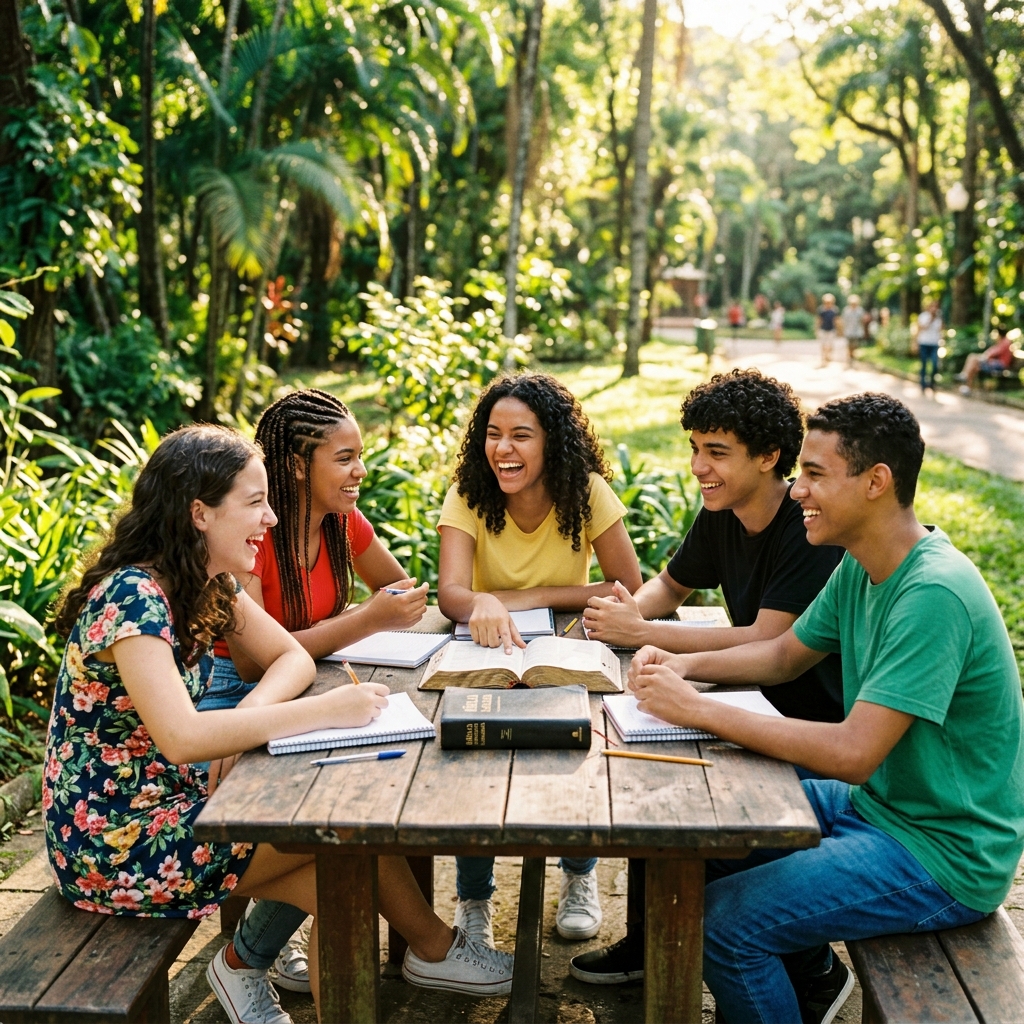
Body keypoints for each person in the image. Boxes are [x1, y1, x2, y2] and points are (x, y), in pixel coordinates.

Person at [43, 425, 514, 1024]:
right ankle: (428, 951)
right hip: (115, 841)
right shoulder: (133, 599)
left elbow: (289, 656)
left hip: (170, 799)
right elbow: (183, 737)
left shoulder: (205, 580)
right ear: (200, 514)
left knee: (344, 862)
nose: (269, 518)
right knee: (344, 851)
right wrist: (327, 709)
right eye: (254, 502)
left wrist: (249, 713)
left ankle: (260, 969)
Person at [602, 394, 1024, 1024]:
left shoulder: (932, 593)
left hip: (940, 852)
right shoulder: (863, 564)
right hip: (882, 805)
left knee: (726, 927)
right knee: (706, 824)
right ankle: (804, 984)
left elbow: (854, 754)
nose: (798, 490)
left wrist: (696, 708)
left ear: (876, 482)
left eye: (816, 474)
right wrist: (680, 664)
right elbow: (782, 656)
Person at [574, 370, 844, 987]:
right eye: (695, 448)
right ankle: (648, 941)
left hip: (806, 724)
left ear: (770, 456)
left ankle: (806, 964)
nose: (699, 466)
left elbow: (768, 640)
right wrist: (628, 613)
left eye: (716, 452)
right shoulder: (721, 511)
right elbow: (671, 585)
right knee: (641, 769)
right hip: (749, 703)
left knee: (690, 813)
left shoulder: (808, 528)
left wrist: (646, 636)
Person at [197, 388, 434, 1011]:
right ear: (299, 466)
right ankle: (431, 947)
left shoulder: (341, 522)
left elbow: (396, 588)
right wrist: (365, 621)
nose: (360, 472)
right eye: (346, 458)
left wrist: (399, 608)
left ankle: (424, 945)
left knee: (376, 783)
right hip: (238, 696)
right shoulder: (253, 536)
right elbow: (251, 659)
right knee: (335, 811)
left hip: (311, 685)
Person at [437, 371, 643, 948]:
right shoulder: (469, 494)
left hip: (565, 648)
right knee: (470, 765)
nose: (504, 449)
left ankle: (579, 877)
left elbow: (627, 586)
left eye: (522, 435)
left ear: (552, 441)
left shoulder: (587, 492)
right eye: (494, 433)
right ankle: (474, 898)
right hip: (486, 653)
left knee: (576, 748)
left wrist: (532, 597)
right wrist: (480, 601)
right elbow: (451, 594)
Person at [958, 326, 1015, 394]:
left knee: (973, 358)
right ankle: (967, 386)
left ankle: (965, 376)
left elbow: (996, 351)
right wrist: (985, 355)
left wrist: (985, 356)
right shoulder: (1002, 341)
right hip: (994, 363)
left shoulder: (1005, 342)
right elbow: (992, 350)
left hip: (1000, 365)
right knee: (974, 366)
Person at [916, 299, 943, 393]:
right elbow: (920, 328)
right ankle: (923, 385)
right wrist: (930, 320)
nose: (934, 309)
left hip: (934, 344)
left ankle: (932, 383)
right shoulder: (923, 316)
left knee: (935, 364)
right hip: (924, 343)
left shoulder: (939, 318)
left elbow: (941, 330)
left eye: (936, 307)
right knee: (924, 364)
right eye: (933, 306)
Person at [840, 294, 865, 366]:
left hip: (857, 331)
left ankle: (853, 358)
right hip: (848, 331)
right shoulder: (846, 310)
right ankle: (849, 358)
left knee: (855, 345)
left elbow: (861, 321)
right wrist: (842, 330)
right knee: (849, 345)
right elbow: (844, 321)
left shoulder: (860, 310)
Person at [817, 294, 838, 365]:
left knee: (830, 344)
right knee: (823, 344)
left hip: (831, 329)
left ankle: (828, 355)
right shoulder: (821, 310)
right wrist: (817, 328)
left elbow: (836, 320)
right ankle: (823, 356)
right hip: (823, 329)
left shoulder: (834, 310)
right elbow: (819, 320)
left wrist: (839, 329)